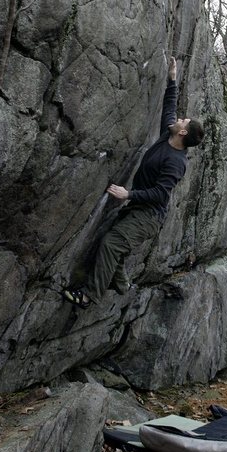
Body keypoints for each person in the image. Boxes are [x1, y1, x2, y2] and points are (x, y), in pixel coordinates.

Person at [63, 56, 204, 309]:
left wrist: (128, 194)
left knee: (112, 243)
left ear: (183, 133)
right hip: (139, 209)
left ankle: (88, 296)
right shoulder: (167, 137)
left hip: (150, 215)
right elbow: (169, 108)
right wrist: (172, 78)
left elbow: (161, 194)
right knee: (110, 235)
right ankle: (121, 282)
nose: (179, 119)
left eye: (183, 121)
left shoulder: (176, 161)